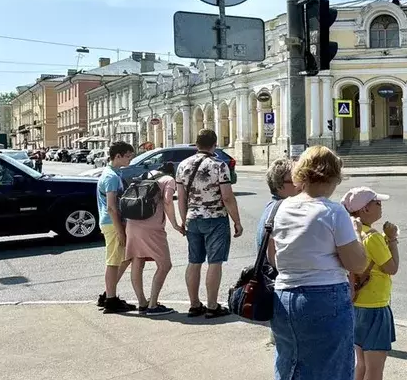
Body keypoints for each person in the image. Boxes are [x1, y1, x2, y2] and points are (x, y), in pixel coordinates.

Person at [267, 146, 368, 380]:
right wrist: (355, 238)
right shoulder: (333, 211)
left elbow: (273, 257)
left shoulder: (283, 207)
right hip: (323, 299)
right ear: (334, 177)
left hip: (284, 299)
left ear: (300, 176)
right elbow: (356, 262)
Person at [342, 187, 399, 380]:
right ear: (365, 209)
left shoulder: (352, 235)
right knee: (374, 372)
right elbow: (392, 267)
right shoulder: (373, 237)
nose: (380, 206)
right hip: (376, 306)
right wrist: (392, 239)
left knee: (360, 366)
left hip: (356, 306)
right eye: (376, 202)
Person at [176, 129, 243, 318]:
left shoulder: (183, 165)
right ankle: (212, 306)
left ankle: (194, 304)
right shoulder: (219, 166)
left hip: (192, 219)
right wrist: (237, 221)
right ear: (214, 145)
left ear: (196, 144)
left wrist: (184, 219)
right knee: (215, 262)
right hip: (215, 219)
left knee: (194, 261)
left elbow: (181, 197)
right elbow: (227, 197)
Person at [125, 161, 181, 316]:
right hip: (152, 228)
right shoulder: (168, 180)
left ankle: (142, 303)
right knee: (165, 265)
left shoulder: (144, 176)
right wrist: (175, 224)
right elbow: (168, 201)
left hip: (132, 224)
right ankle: (153, 305)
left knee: (137, 261)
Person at [96, 141, 137, 313]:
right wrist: (120, 230)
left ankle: (108, 294)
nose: (130, 160)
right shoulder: (112, 177)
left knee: (125, 258)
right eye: (128, 156)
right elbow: (112, 206)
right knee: (113, 261)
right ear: (118, 156)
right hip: (112, 223)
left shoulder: (110, 173)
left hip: (109, 222)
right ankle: (110, 300)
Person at [257, 158, 301, 260]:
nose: (300, 185)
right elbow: (274, 259)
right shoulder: (283, 211)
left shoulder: (271, 206)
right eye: (295, 180)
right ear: (279, 185)